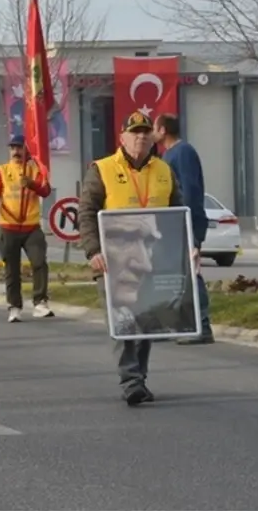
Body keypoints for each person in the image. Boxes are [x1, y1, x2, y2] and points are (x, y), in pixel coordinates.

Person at [79, 110, 188, 405]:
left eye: (145, 132)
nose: (140, 137)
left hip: (152, 261)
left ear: (153, 138)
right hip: (113, 262)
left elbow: (178, 214)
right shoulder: (101, 169)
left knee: (146, 321)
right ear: (122, 138)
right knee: (124, 320)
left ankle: (139, 376)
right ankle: (130, 381)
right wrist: (93, 250)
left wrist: (187, 249)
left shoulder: (164, 170)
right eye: (134, 132)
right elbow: (86, 213)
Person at [0, 134, 54, 323]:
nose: (16, 151)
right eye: (13, 148)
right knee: (12, 269)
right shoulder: (1, 171)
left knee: (39, 262)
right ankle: (14, 307)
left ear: (26, 149)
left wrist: (32, 184)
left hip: (31, 226)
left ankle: (40, 302)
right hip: (8, 226)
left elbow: (46, 191)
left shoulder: (35, 169)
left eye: (19, 147)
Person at [155, 113, 213, 345]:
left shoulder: (183, 152)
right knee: (171, 276)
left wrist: (189, 224)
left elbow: (190, 190)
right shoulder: (167, 155)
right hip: (170, 224)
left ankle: (202, 326)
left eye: (154, 128)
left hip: (184, 222)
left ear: (163, 130)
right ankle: (173, 323)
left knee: (190, 273)